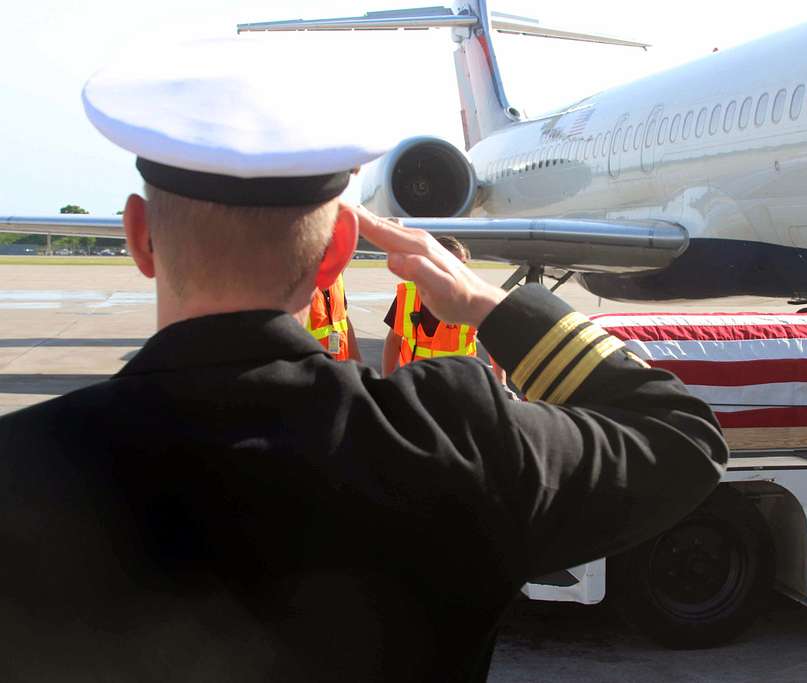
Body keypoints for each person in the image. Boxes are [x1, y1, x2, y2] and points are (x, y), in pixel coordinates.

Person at [0, 39, 728, 681]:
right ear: (339, 252)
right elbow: (681, 436)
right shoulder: (461, 440)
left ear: (138, 236)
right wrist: (488, 305)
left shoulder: (22, 469)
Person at [381, 235, 495, 378]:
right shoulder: (408, 295)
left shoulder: (473, 298)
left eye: (462, 265)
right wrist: (386, 382)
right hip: (416, 384)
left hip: (459, 385)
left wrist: (502, 383)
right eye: (452, 264)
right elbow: (393, 340)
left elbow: (494, 342)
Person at [305, 274, 362, 361]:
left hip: (340, 367)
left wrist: (357, 366)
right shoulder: (296, 280)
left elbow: (344, 319)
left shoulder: (337, 277)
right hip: (310, 369)